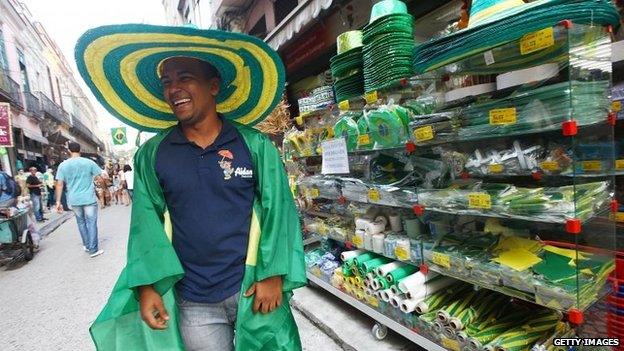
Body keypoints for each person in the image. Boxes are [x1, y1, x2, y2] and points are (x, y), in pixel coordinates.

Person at [77, 25, 305, 351]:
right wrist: (147, 287)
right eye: (167, 82)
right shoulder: (152, 155)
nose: (174, 89)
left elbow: (278, 210)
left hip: (253, 288)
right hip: (194, 300)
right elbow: (146, 225)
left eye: (184, 77)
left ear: (213, 86)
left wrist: (274, 275)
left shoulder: (254, 146)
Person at [55, 142, 104, 258]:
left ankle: (87, 245)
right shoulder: (89, 162)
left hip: (74, 199)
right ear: (80, 150)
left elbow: (59, 184)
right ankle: (93, 250)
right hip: (88, 198)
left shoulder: (63, 165)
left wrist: (58, 201)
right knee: (91, 223)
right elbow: (100, 178)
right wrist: (100, 186)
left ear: (69, 151)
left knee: (81, 222)